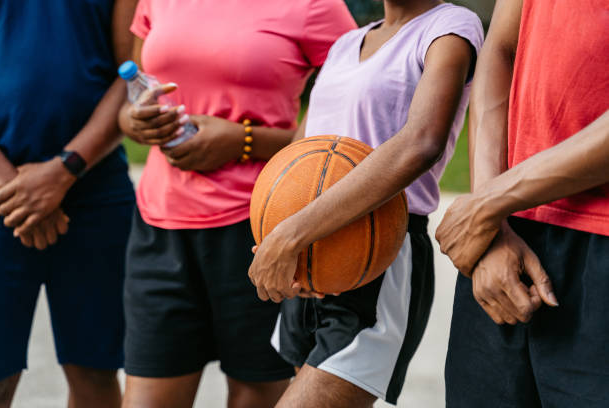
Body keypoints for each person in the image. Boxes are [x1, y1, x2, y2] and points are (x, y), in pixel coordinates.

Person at [117, 1, 356, 407]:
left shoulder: (315, 5)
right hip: (159, 226)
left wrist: (244, 141)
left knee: (256, 394)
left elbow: (349, 114)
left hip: (259, 230)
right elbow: (136, 93)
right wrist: (132, 121)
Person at [247, 0, 483, 406]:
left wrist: (289, 235)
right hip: (309, 252)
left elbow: (420, 143)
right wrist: (283, 238)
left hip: (377, 251)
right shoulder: (346, 43)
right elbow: (299, 152)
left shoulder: (450, 27)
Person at [434, 0, 609, 406]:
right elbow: (500, 50)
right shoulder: (494, 222)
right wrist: (491, 225)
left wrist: (488, 203)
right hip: (506, 241)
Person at [0, 1, 138, 407]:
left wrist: (64, 170)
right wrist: (15, 191)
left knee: (95, 370)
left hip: (95, 190)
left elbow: (129, 70)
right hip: (3, 191)